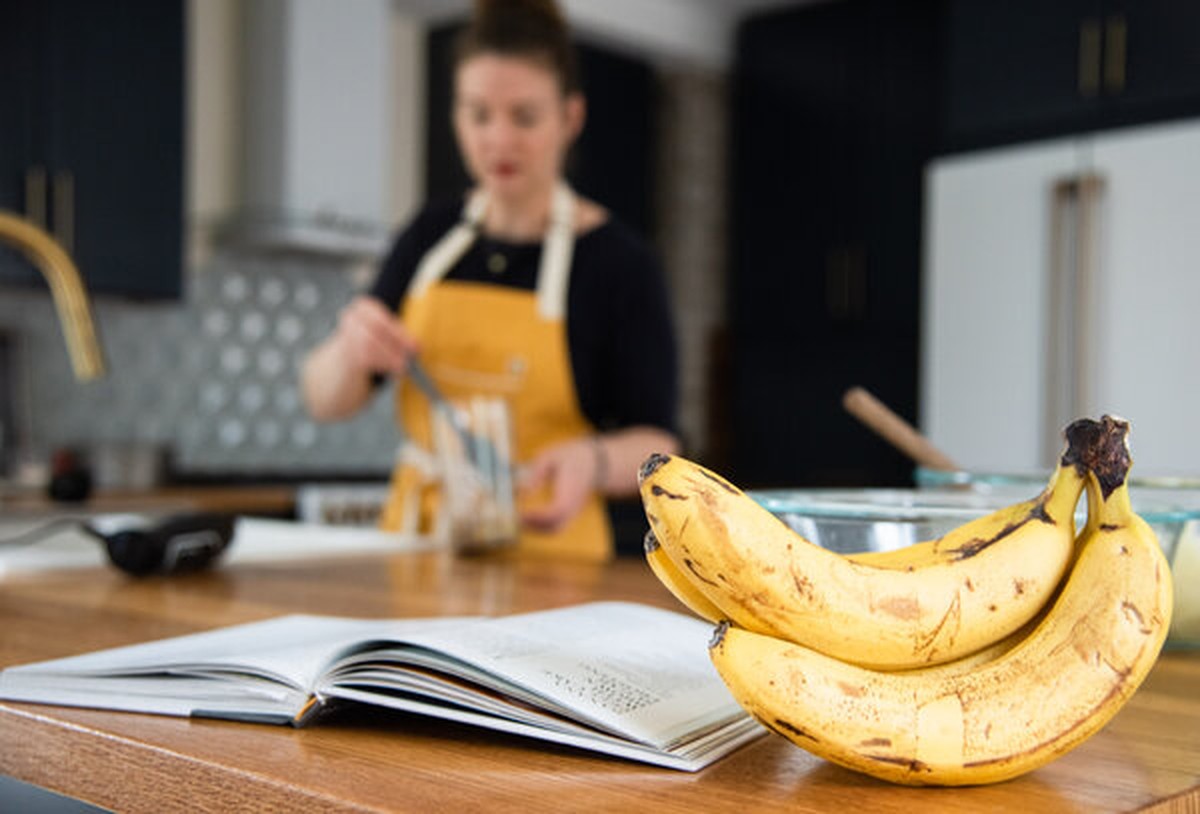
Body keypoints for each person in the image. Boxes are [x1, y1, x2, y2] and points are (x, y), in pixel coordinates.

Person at [302, 0, 679, 561]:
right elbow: (323, 399)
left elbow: (660, 444)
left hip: (555, 559)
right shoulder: (430, 234)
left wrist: (591, 461)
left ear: (569, 118)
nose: (498, 140)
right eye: (479, 114)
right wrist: (352, 348)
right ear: (456, 115)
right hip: (415, 552)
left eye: (524, 117)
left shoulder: (620, 264)